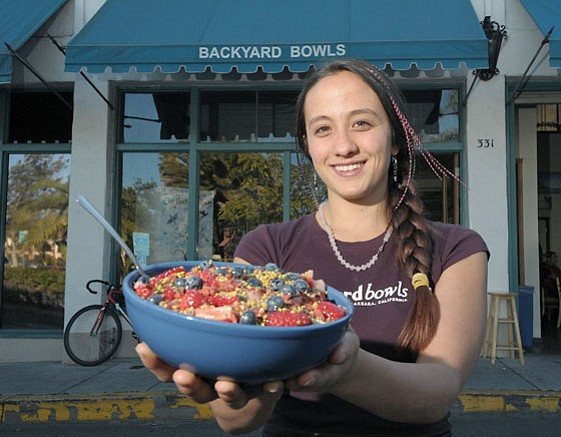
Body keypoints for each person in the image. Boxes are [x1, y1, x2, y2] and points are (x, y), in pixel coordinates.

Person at [137, 59, 489, 437]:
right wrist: (238, 382)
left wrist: (345, 369)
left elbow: (436, 394)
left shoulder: (457, 249)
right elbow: (235, 420)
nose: (344, 146)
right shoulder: (266, 248)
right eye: (323, 129)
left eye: (362, 123)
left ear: (397, 137)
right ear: (308, 146)